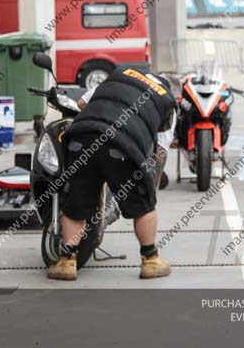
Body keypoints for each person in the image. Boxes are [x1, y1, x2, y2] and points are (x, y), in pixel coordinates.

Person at [46, 67, 176, 281]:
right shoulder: (167, 100)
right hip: (122, 146)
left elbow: (81, 104)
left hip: (82, 140)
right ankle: (150, 260)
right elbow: (160, 150)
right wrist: (153, 185)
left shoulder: (120, 73)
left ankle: (66, 262)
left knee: (76, 204)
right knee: (143, 206)